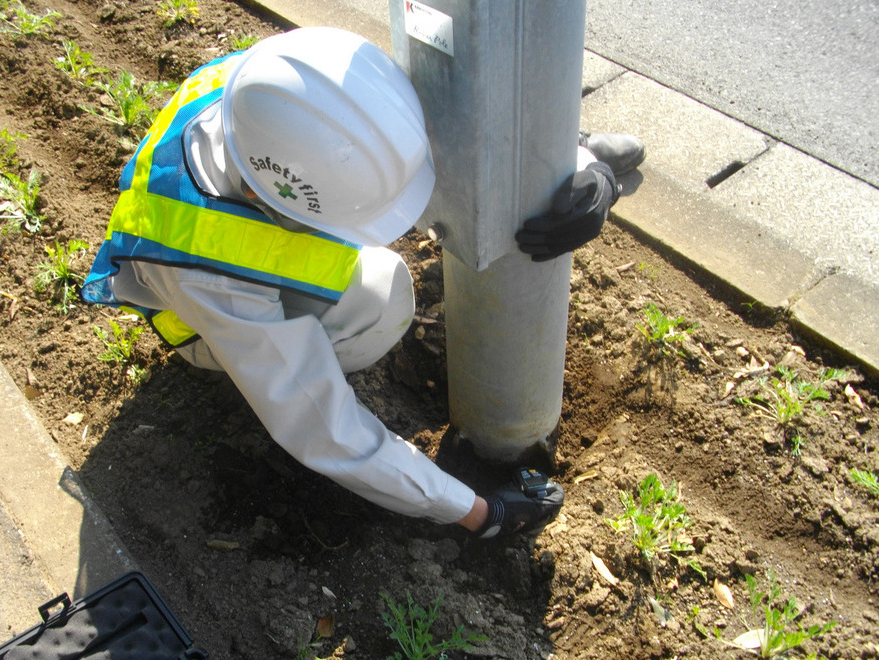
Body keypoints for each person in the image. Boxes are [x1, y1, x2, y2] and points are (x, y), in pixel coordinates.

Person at [81, 27, 633, 539]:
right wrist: (480, 512)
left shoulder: (289, 89)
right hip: (205, 327)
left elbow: (417, 129)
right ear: (274, 204)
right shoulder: (210, 273)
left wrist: (574, 159)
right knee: (381, 297)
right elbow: (325, 430)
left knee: (377, 272)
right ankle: (243, 373)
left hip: (246, 245)